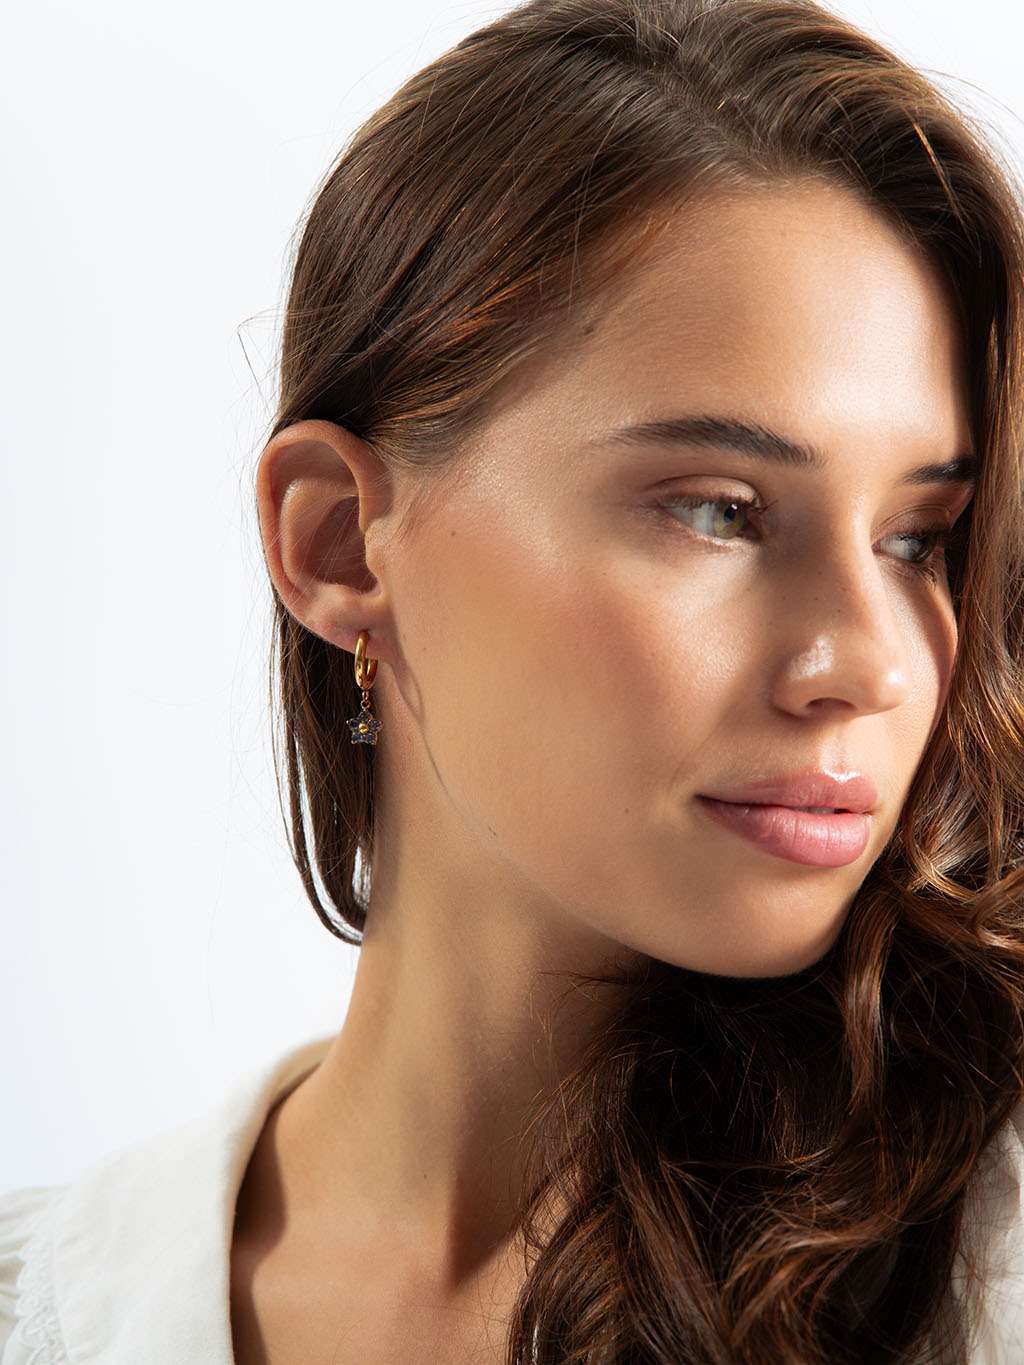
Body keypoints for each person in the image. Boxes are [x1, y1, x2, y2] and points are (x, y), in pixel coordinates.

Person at [4, 0, 1024, 1360]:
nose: (869, 664)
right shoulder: (41, 1306)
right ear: (337, 541)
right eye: (718, 510)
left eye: (919, 539)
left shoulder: (993, 1267)